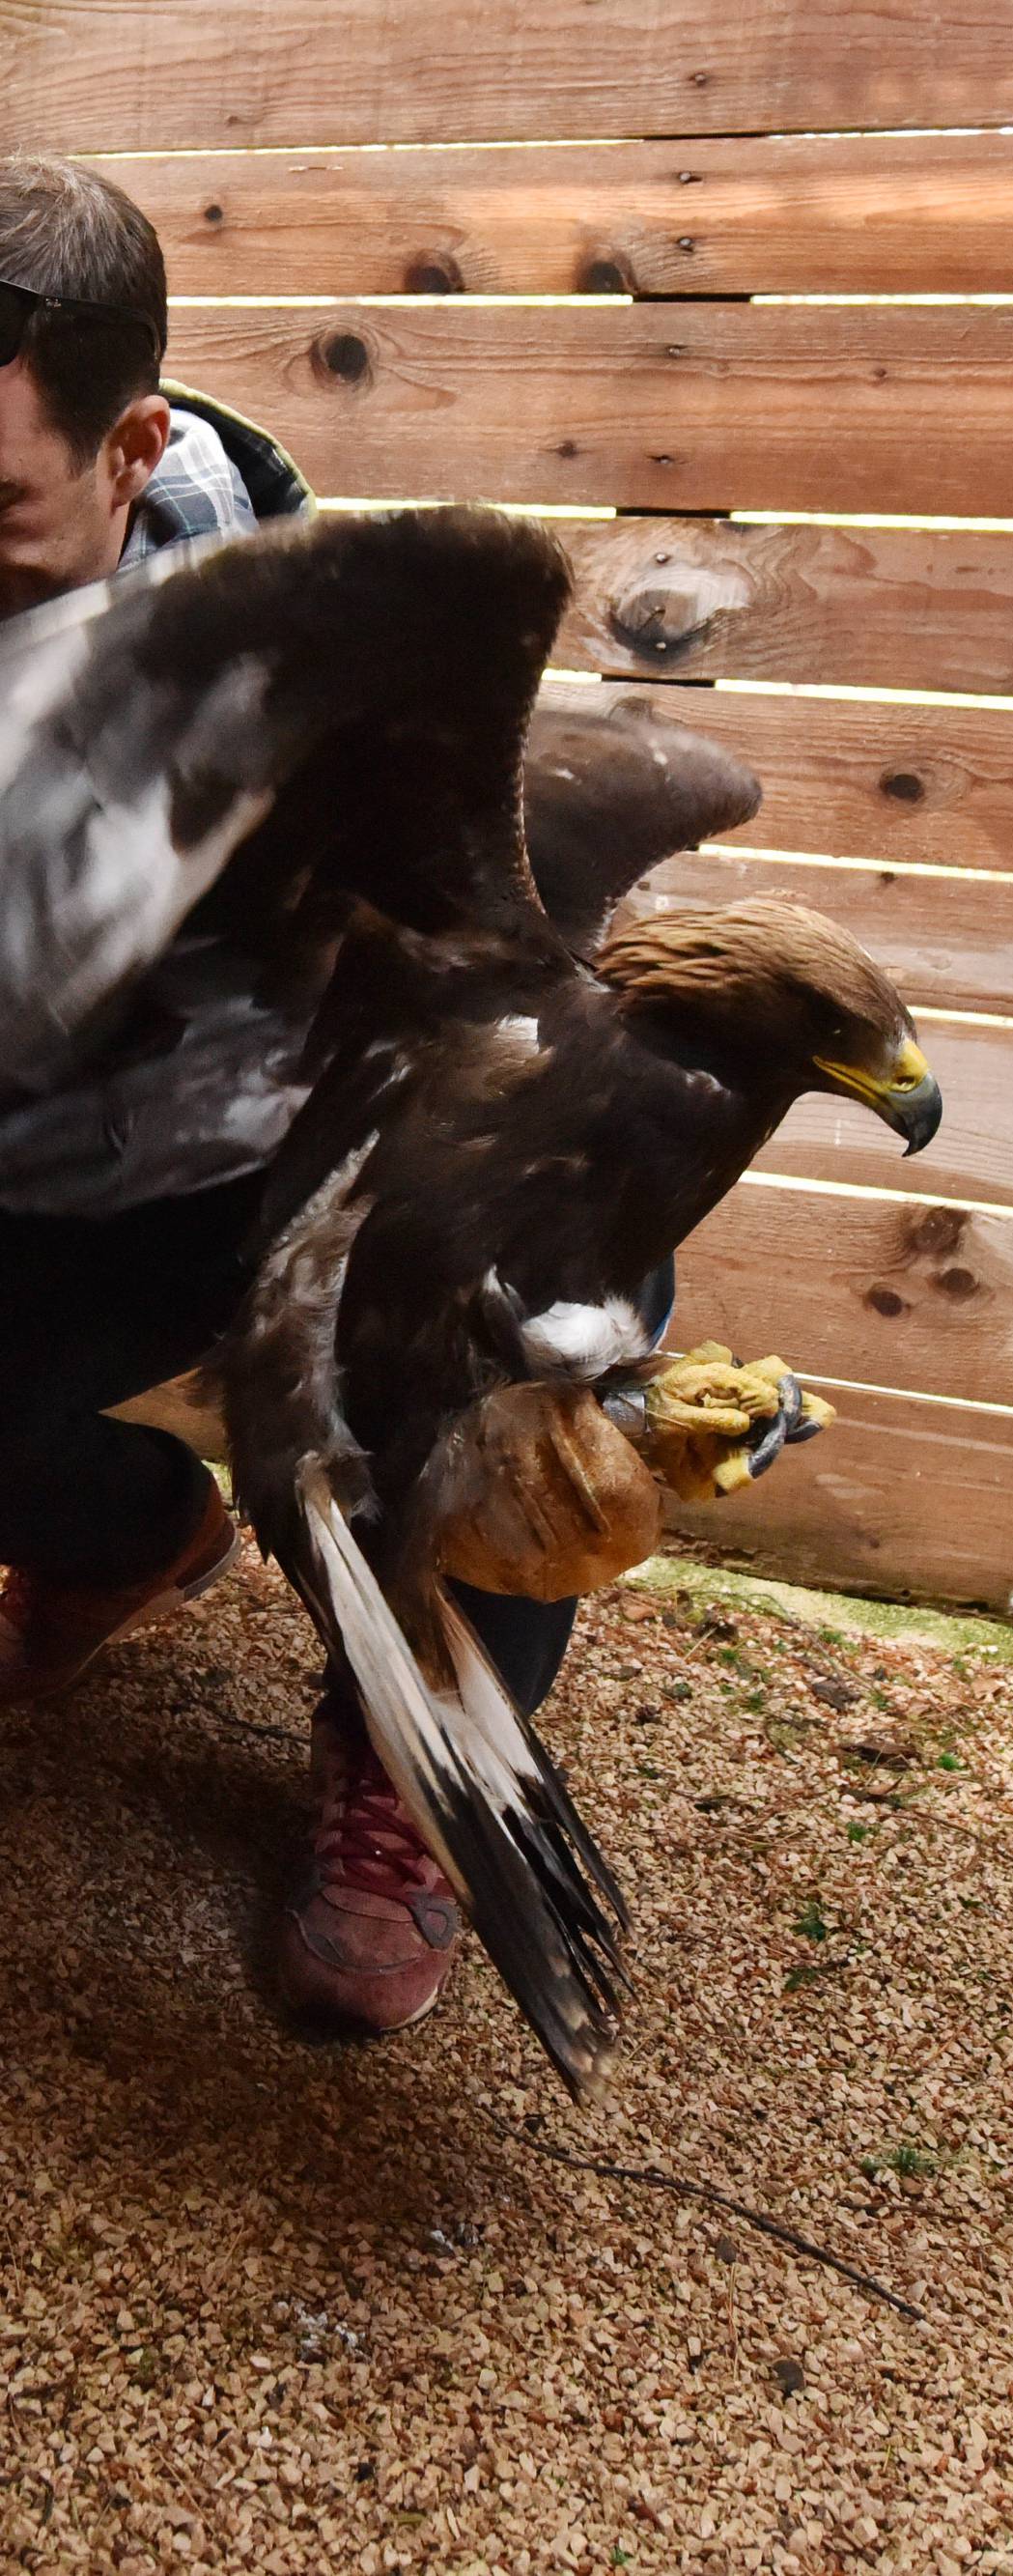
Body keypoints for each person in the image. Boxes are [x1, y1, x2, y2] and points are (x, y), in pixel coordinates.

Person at [0, 156, 588, 2037]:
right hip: (34, 1176)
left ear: (131, 446)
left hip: (292, 1163)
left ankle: (418, 1754)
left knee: (533, 1326)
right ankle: (120, 1535)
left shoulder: (351, 663)